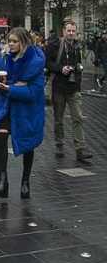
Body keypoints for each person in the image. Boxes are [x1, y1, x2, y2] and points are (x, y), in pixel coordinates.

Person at [0, 28, 46, 199]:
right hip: (6, 106)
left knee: (28, 142)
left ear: (24, 42)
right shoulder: (4, 59)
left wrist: (11, 89)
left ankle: (25, 182)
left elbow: (34, 91)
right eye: (9, 41)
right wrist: (1, 86)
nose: (11, 44)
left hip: (27, 109)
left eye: (15, 41)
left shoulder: (34, 62)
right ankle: (3, 180)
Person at [45, 21, 93, 164]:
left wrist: (78, 70)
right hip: (59, 87)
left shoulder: (77, 46)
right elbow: (47, 63)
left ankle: (80, 149)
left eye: (73, 31)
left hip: (73, 88)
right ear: (63, 31)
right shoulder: (55, 45)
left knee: (78, 117)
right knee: (59, 119)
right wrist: (61, 68)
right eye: (69, 31)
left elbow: (78, 64)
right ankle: (59, 144)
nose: (71, 33)